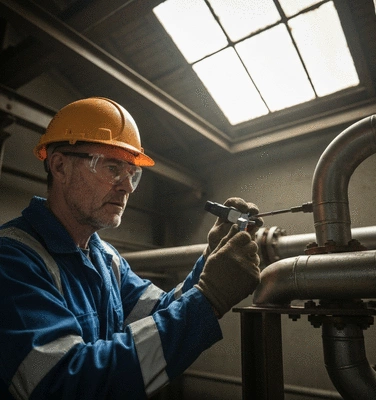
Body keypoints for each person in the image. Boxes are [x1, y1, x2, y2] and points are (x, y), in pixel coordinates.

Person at [0, 97, 263, 400]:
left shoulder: (107, 260)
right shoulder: (12, 260)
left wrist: (211, 262)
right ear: (59, 165)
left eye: (131, 173)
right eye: (112, 167)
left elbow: (162, 312)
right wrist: (210, 298)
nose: (126, 186)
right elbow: (67, 384)